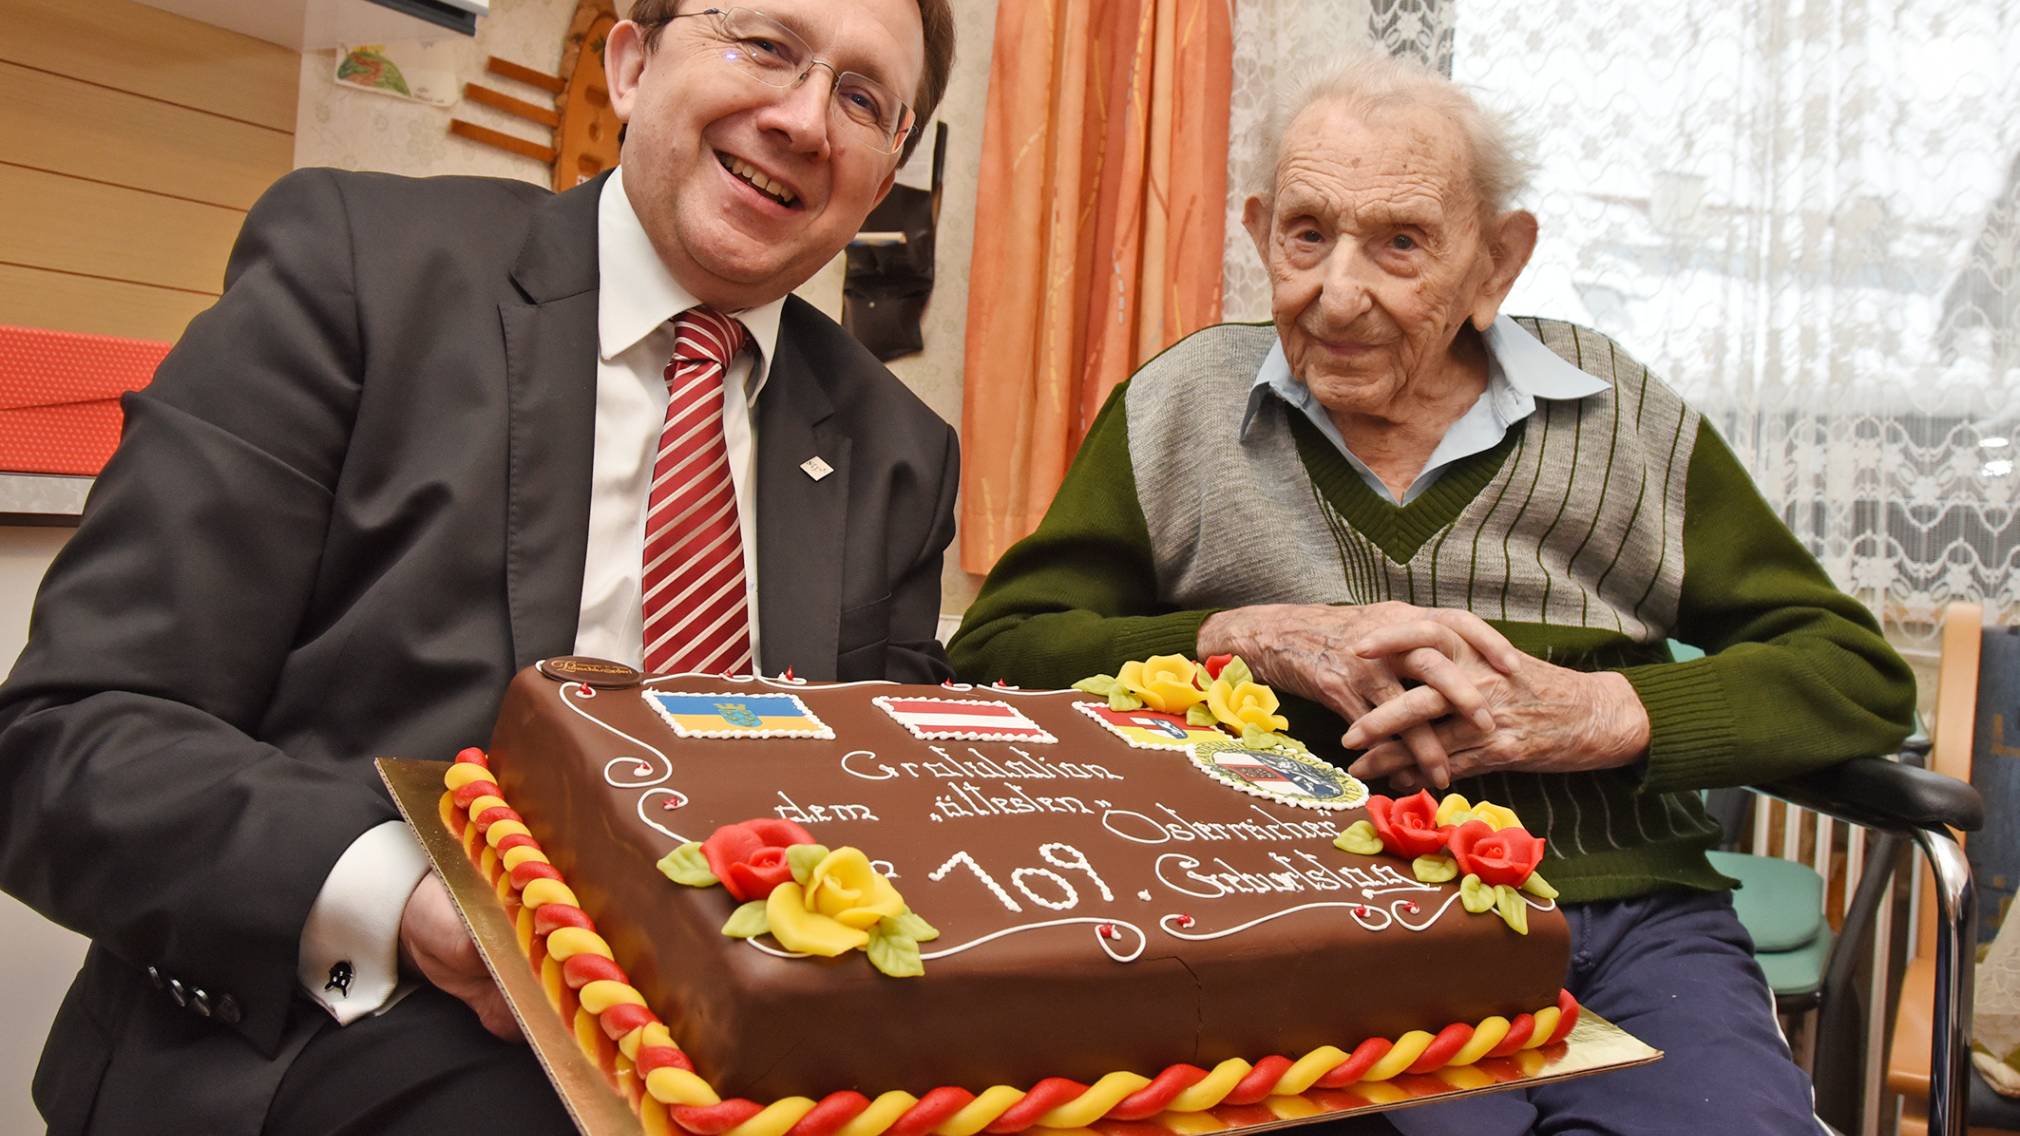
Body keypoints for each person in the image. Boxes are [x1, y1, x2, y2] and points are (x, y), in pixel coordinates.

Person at [0, 2, 957, 1133]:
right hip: (323, 1032)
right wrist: (410, 900)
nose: (804, 120)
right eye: (764, 45)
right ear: (633, 61)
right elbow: (72, 740)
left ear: (888, 162)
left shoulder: (899, 448)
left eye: (860, 98)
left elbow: (877, 802)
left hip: (712, 1070)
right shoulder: (357, 267)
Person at [949, 54, 1914, 1135]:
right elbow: (1002, 650)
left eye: (1399, 242)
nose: (1337, 291)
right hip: (1308, 914)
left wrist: (1594, 713)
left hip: (1624, 912)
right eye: (1307, 234)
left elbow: (1852, 673)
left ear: (1495, 262)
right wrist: (1249, 634)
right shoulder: (1178, 408)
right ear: (1264, 230)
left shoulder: (1617, 414)